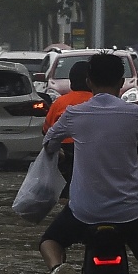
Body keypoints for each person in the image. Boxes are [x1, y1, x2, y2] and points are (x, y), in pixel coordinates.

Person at [40, 53, 138, 274]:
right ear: (121, 81)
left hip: (84, 212)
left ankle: (57, 269)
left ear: (89, 80)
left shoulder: (74, 114)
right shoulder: (136, 114)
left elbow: (49, 143)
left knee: (49, 242)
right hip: (130, 213)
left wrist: (59, 154)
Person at [42, 60, 92, 199]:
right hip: (91, 155)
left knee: (65, 195)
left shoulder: (60, 102)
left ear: (71, 82)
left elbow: (46, 131)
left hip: (64, 155)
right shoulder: (99, 102)